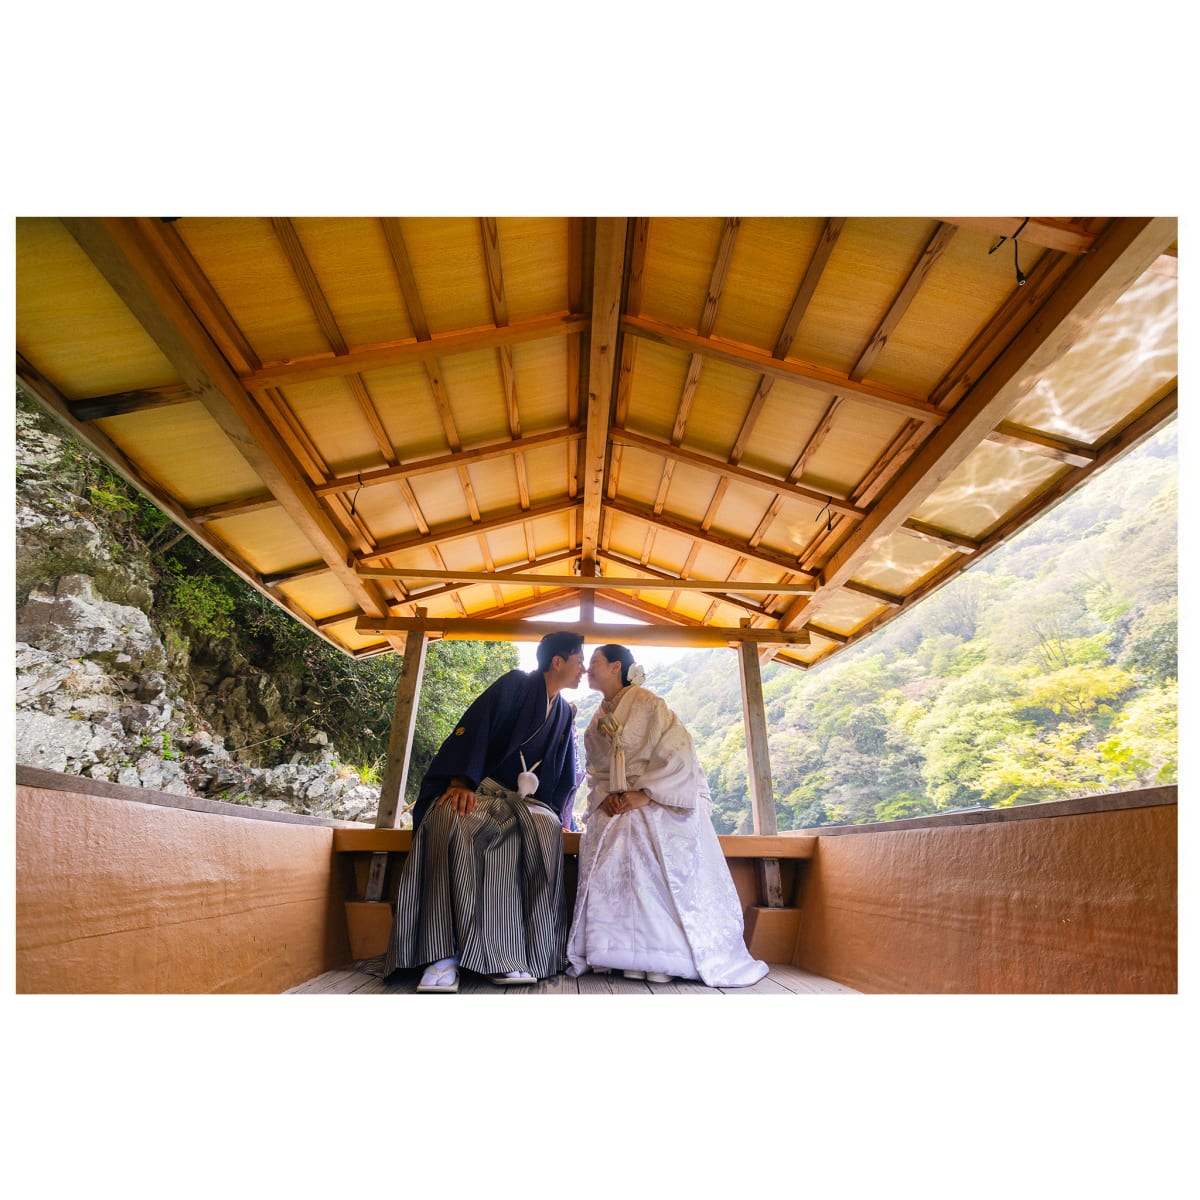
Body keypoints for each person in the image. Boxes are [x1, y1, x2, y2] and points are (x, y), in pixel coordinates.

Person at [383, 631, 585, 993]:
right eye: (579, 660)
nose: (582, 669)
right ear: (558, 661)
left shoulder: (563, 714)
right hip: (480, 789)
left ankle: (511, 954)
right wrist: (460, 781)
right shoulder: (515, 685)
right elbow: (474, 726)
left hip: (521, 802)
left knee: (546, 827)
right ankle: (442, 955)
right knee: (451, 817)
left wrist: (561, 816)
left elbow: (561, 773)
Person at [566, 644, 768, 987]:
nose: (588, 668)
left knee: (643, 836)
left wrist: (644, 794)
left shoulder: (649, 704)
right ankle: (616, 955)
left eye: (595, 661)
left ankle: (664, 958)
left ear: (616, 667)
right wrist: (607, 798)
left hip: (657, 799)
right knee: (609, 832)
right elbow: (596, 773)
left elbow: (679, 753)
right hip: (618, 803)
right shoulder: (596, 718)